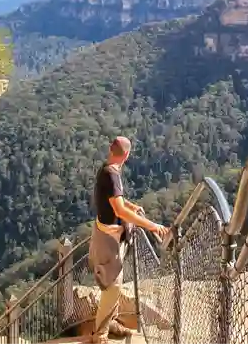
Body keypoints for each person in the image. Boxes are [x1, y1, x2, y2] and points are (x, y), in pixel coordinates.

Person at [89, 136, 169, 344]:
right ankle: (100, 335)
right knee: (112, 286)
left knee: (115, 280)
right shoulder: (112, 175)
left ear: (110, 150)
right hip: (108, 237)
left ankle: (111, 322)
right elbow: (118, 209)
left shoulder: (106, 169)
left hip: (106, 231)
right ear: (127, 155)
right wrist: (151, 225)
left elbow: (116, 201)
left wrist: (132, 207)